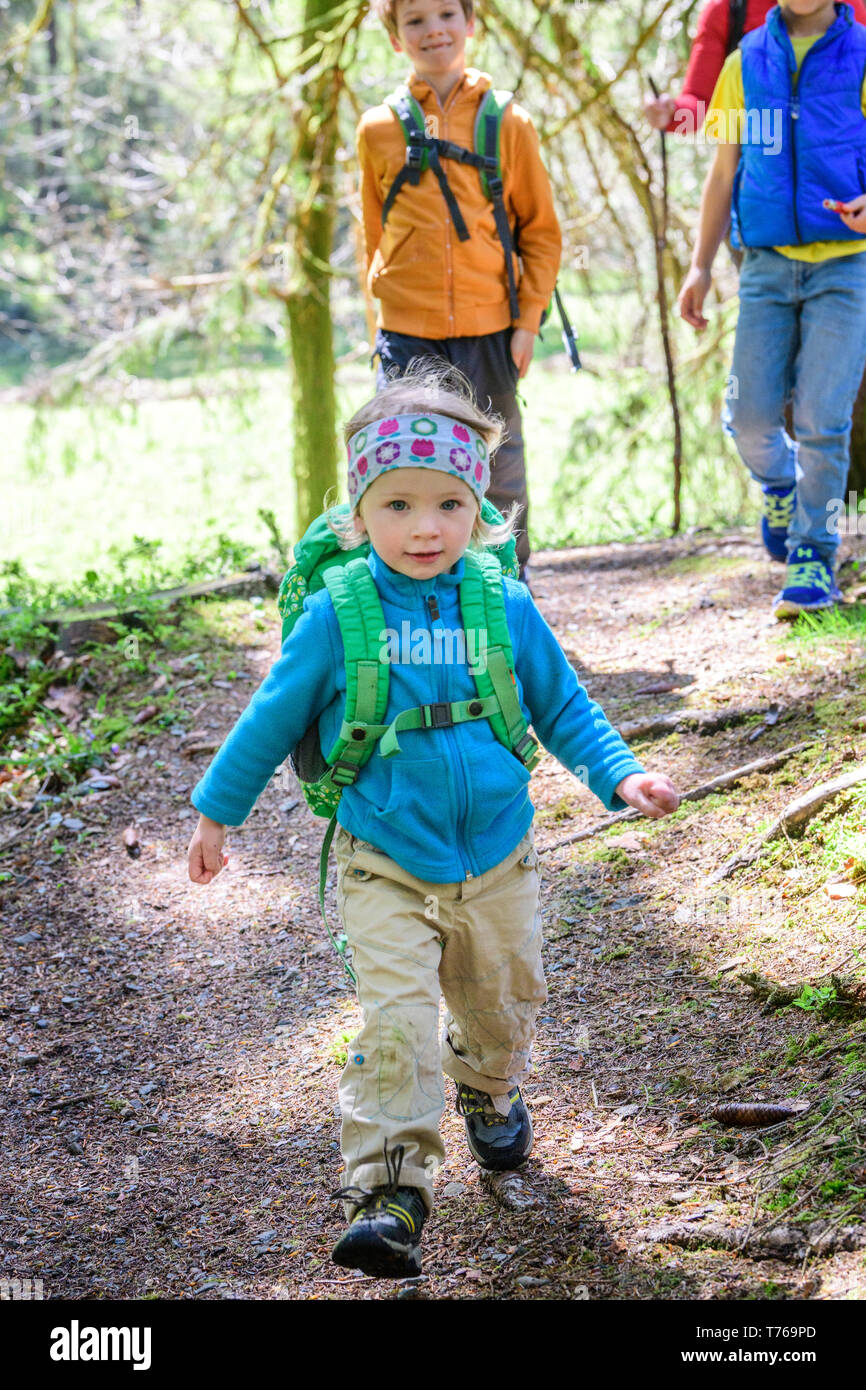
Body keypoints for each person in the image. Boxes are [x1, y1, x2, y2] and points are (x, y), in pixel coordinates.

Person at [186, 364, 679, 1279]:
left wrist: (623, 775)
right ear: (359, 511)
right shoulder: (339, 616)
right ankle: (391, 1192)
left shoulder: (505, 603)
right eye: (399, 504)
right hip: (387, 860)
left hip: (497, 855)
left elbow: (565, 709)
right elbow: (272, 717)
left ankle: (488, 1089)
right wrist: (218, 813)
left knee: (502, 1001)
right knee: (395, 1024)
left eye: (449, 505)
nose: (425, 527)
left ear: (479, 509)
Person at [356, 0, 563, 588]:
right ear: (396, 37)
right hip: (406, 330)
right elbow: (375, 236)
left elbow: (542, 233)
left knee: (497, 466)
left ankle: (506, 594)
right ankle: (409, 597)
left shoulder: (508, 123)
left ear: (471, 24)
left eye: (447, 13)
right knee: (402, 462)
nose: (433, 30)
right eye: (414, 20)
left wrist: (524, 324)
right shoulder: (377, 128)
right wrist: (381, 320)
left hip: (489, 328)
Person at [678, 0, 866, 617]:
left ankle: (814, 553)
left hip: (847, 263)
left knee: (822, 415)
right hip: (765, 264)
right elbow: (724, 169)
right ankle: (781, 482)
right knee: (749, 416)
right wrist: (701, 265)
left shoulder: (861, 53)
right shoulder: (745, 61)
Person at [643, 0, 866, 135]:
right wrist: (671, 114)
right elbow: (701, 105)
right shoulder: (727, 10)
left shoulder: (843, 6)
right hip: (758, 178)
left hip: (841, 184)